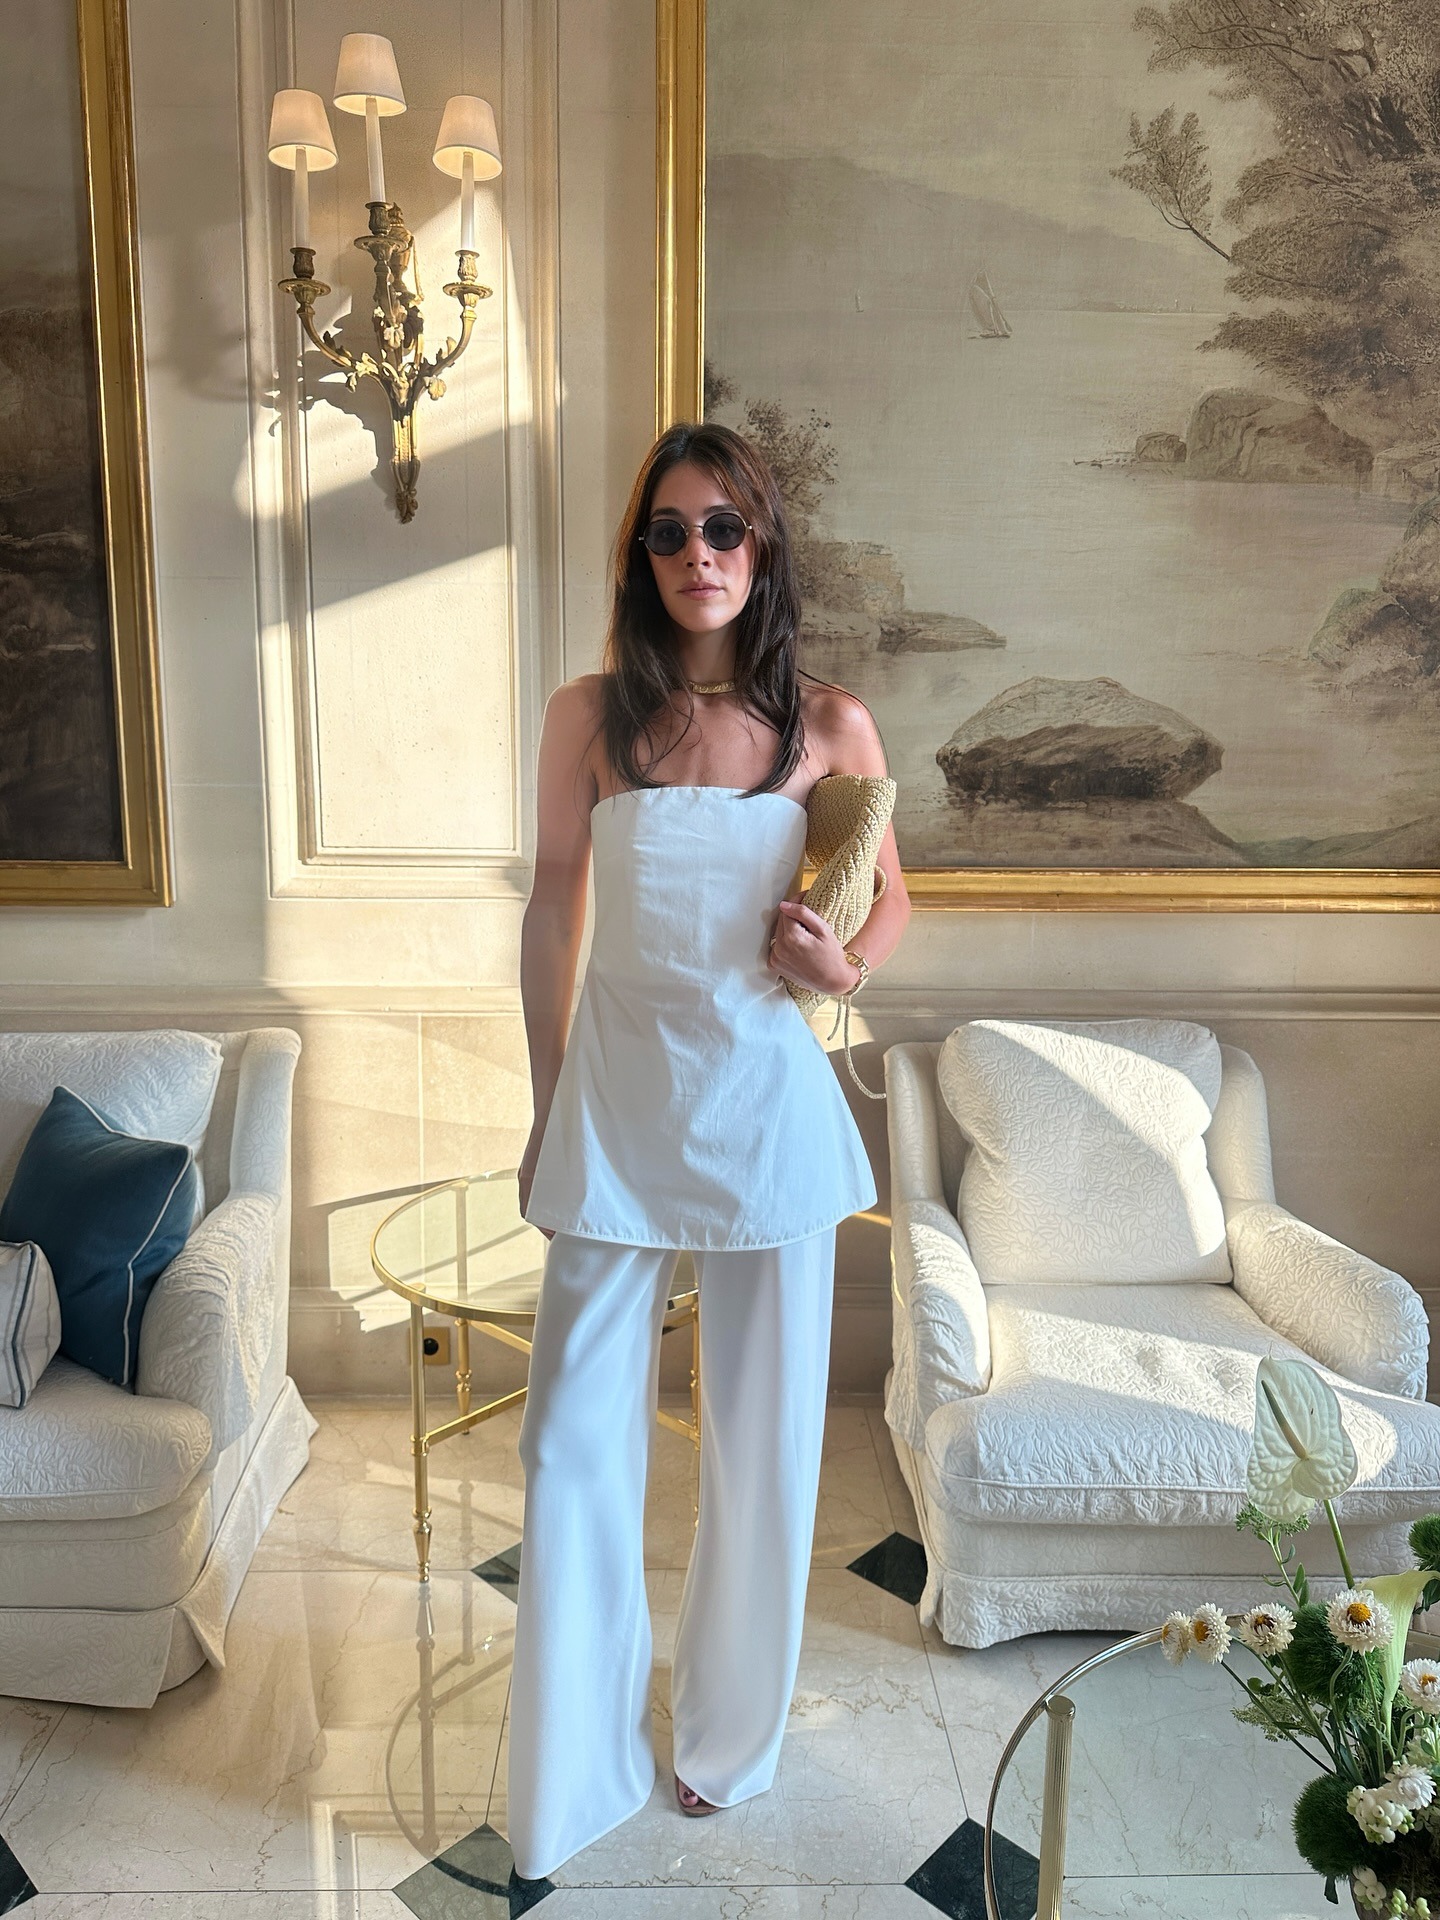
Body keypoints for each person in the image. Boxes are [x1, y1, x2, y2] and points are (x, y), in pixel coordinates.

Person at [508, 419, 911, 1881]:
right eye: (670, 531)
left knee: (764, 1445)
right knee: (568, 1438)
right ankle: (577, 1754)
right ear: (642, 555)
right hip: (615, 1106)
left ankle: (726, 1742)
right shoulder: (586, 717)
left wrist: (840, 969)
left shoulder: (830, 726)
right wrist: (547, 1100)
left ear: (763, 545)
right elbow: (555, 907)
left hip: (767, 1118)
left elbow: (892, 902)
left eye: (725, 528)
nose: (700, 555)